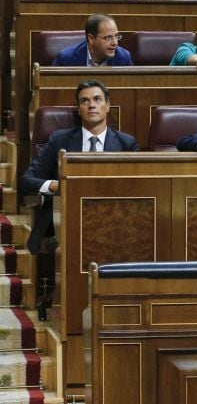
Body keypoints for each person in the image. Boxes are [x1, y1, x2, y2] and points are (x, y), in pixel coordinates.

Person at [21, 79, 138, 254]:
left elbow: (136, 189)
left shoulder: (126, 144)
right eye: (85, 101)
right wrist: (54, 186)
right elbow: (26, 181)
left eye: (97, 99)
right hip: (65, 221)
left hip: (113, 220)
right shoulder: (59, 140)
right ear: (78, 109)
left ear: (107, 106)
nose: (92, 105)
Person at [52, 14, 133, 66]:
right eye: (108, 38)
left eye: (116, 36)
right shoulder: (66, 59)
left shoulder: (124, 58)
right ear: (91, 39)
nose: (115, 43)